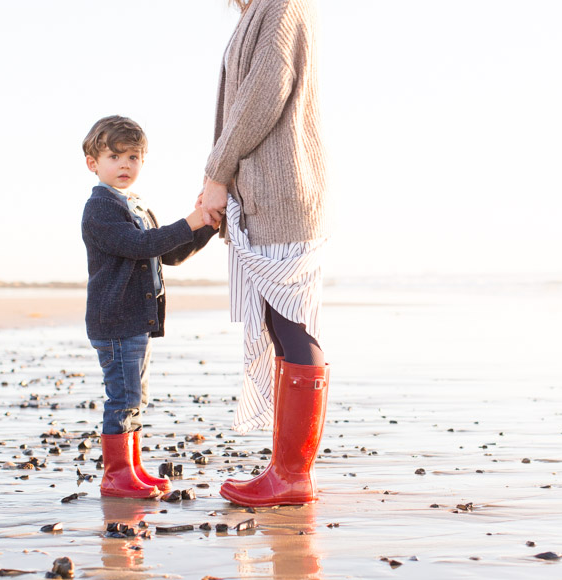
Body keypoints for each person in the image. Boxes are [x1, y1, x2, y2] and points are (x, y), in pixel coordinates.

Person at [200, 0, 331, 507]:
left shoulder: (283, 5)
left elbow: (261, 96)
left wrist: (216, 173)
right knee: (283, 327)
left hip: (283, 192)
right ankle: (287, 470)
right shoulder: (260, 11)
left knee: (292, 323)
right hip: (268, 192)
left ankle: (293, 475)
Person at [81, 115, 216, 498]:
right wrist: (188, 221)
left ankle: (133, 468)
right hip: (116, 320)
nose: (125, 165)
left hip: (136, 320)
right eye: (115, 156)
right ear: (93, 163)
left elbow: (168, 253)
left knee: (134, 396)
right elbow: (142, 246)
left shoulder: (136, 206)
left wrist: (204, 224)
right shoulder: (101, 209)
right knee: (122, 398)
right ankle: (116, 475)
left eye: (134, 157)